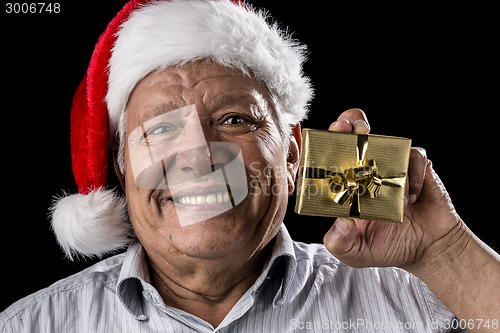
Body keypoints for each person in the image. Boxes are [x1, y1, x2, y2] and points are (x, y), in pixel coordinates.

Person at [1, 0, 499, 332]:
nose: (198, 157)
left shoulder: (420, 299)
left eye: (235, 119)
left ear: (292, 154)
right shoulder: (32, 325)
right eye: (161, 129)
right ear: (121, 166)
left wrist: (443, 251)